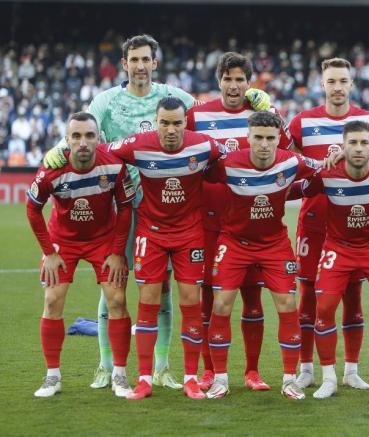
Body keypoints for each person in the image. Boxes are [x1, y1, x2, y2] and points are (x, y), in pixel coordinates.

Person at [43, 34, 271, 390]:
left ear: (155, 62)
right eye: (134, 59)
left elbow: (204, 110)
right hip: (119, 203)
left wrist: (250, 100)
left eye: (146, 59)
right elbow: (82, 129)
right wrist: (56, 151)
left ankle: (162, 367)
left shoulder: (173, 96)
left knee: (162, 289)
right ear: (125, 63)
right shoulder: (107, 100)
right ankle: (106, 366)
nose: (140, 65)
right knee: (112, 288)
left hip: (165, 207)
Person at [288, 58, 369, 389]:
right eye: (331, 81)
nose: (337, 87)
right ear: (321, 84)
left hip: (355, 229)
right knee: (309, 295)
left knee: (353, 295)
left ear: (352, 84)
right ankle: (307, 368)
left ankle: (351, 370)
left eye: (343, 81)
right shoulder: (301, 122)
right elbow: (287, 162)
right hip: (313, 223)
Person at [186, 52, 292, 391]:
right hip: (207, 224)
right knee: (209, 299)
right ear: (219, 81)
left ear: (250, 82)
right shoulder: (197, 115)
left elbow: (285, 151)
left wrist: (273, 111)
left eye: (240, 79)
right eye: (228, 79)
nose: (234, 86)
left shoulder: (260, 116)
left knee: (252, 297)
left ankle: (252, 371)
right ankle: (208, 370)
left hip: (250, 225)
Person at [106, 96, 223, 400]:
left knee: (190, 302)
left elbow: (235, 158)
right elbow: (102, 152)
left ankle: (190, 378)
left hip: (189, 234)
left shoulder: (204, 145)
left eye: (177, 123)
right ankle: (144, 379)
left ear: (186, 122)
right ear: (155, 122)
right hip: (152, 234)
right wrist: (60, 151)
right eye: (165, 123)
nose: (171, 130)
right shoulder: (138, 144)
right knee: (149, 301)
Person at [204, 111, 322, 400]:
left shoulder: (292, 161)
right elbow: (195, 172)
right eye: (258, 137)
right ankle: (220, 379)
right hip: (233, 241)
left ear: (278, 140)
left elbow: (324, 167)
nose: (265, 144)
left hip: (274, 243)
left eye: (271, 138)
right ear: (248, 137)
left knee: (287, 303)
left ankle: (289, 380)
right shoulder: (228, 164)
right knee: (221, 304)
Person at [299, 120, 369, 400]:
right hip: (339, 248)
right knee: (323, 307)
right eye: (353, 143)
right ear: (342, 146)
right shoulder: (326, 173)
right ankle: (328, 379)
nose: (358, 148)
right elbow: (300, 186)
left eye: (364, 143)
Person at [26, 112, 135, 397]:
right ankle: (52, 377)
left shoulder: (113, 165)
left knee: (117, 300)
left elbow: (125, 207)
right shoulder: (52, 170)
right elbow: (32, 208)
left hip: (103, 239)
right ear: (67, 140)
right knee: (51, 301)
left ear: (99, 138)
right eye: (76, 136)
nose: (83, 142)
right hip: (63, 241)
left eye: (89, 135)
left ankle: (120, 376)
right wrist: (48, 252)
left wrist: (116, 252)